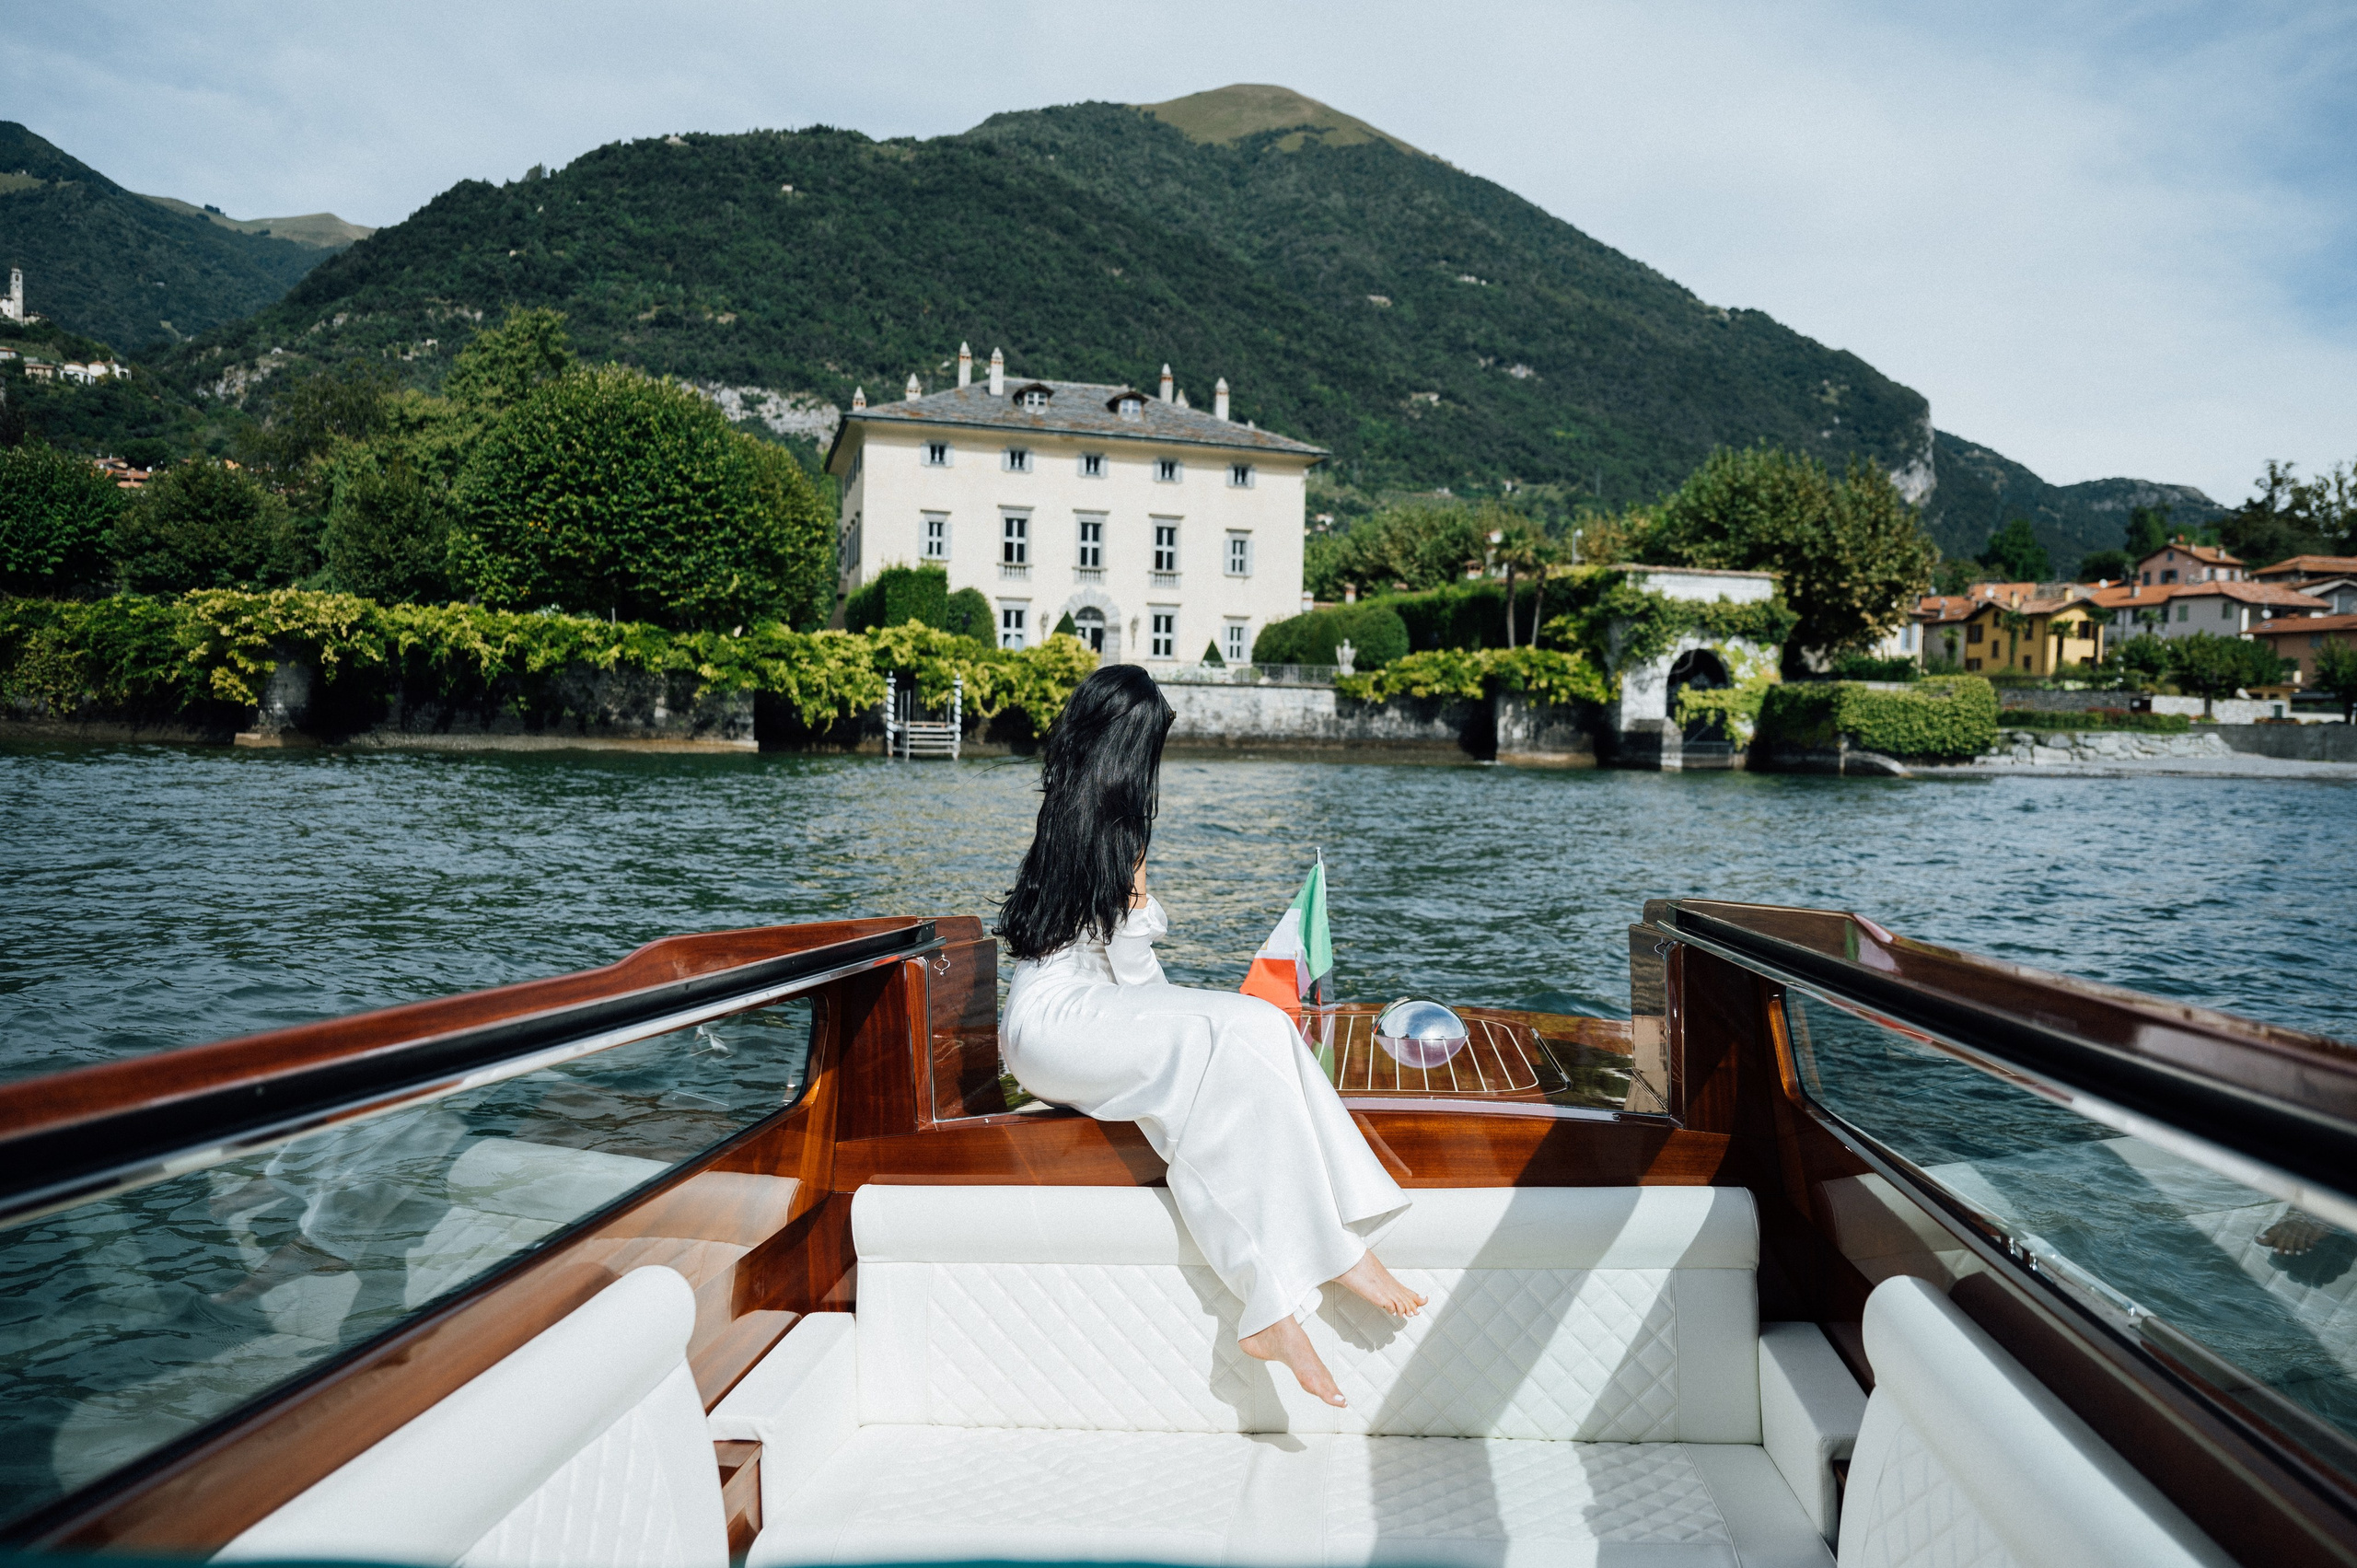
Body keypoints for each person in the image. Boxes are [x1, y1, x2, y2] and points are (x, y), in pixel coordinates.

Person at [997, 664, 1422, 1408]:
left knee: (1255, 1026)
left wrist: (1200, 1018)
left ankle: (1336, 1249)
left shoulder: (1072, 813)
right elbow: (1132, 966)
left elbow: (1129, 975)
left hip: (1063, 1019)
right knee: (1237, 1030)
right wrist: (1197, 1018)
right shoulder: (1108, 829)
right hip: (1057, 1022)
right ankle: (1287, 1293)